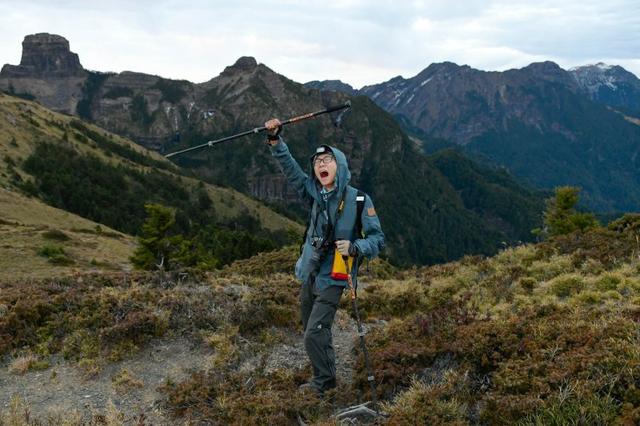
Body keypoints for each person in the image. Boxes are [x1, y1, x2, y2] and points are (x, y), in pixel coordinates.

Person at [264, 118, 385, 396]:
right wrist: (275, 140)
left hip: (336, 275)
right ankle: (325, 370)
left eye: (328, 160)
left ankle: (324, 383)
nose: (321, 165)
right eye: (318, 162)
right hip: (310, 271)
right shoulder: (314, 194)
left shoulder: (358, 201)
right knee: (312, 329)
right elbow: (291, 171)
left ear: (339, 166)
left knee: (314, 333)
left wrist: (355, 247)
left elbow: (378, 239)